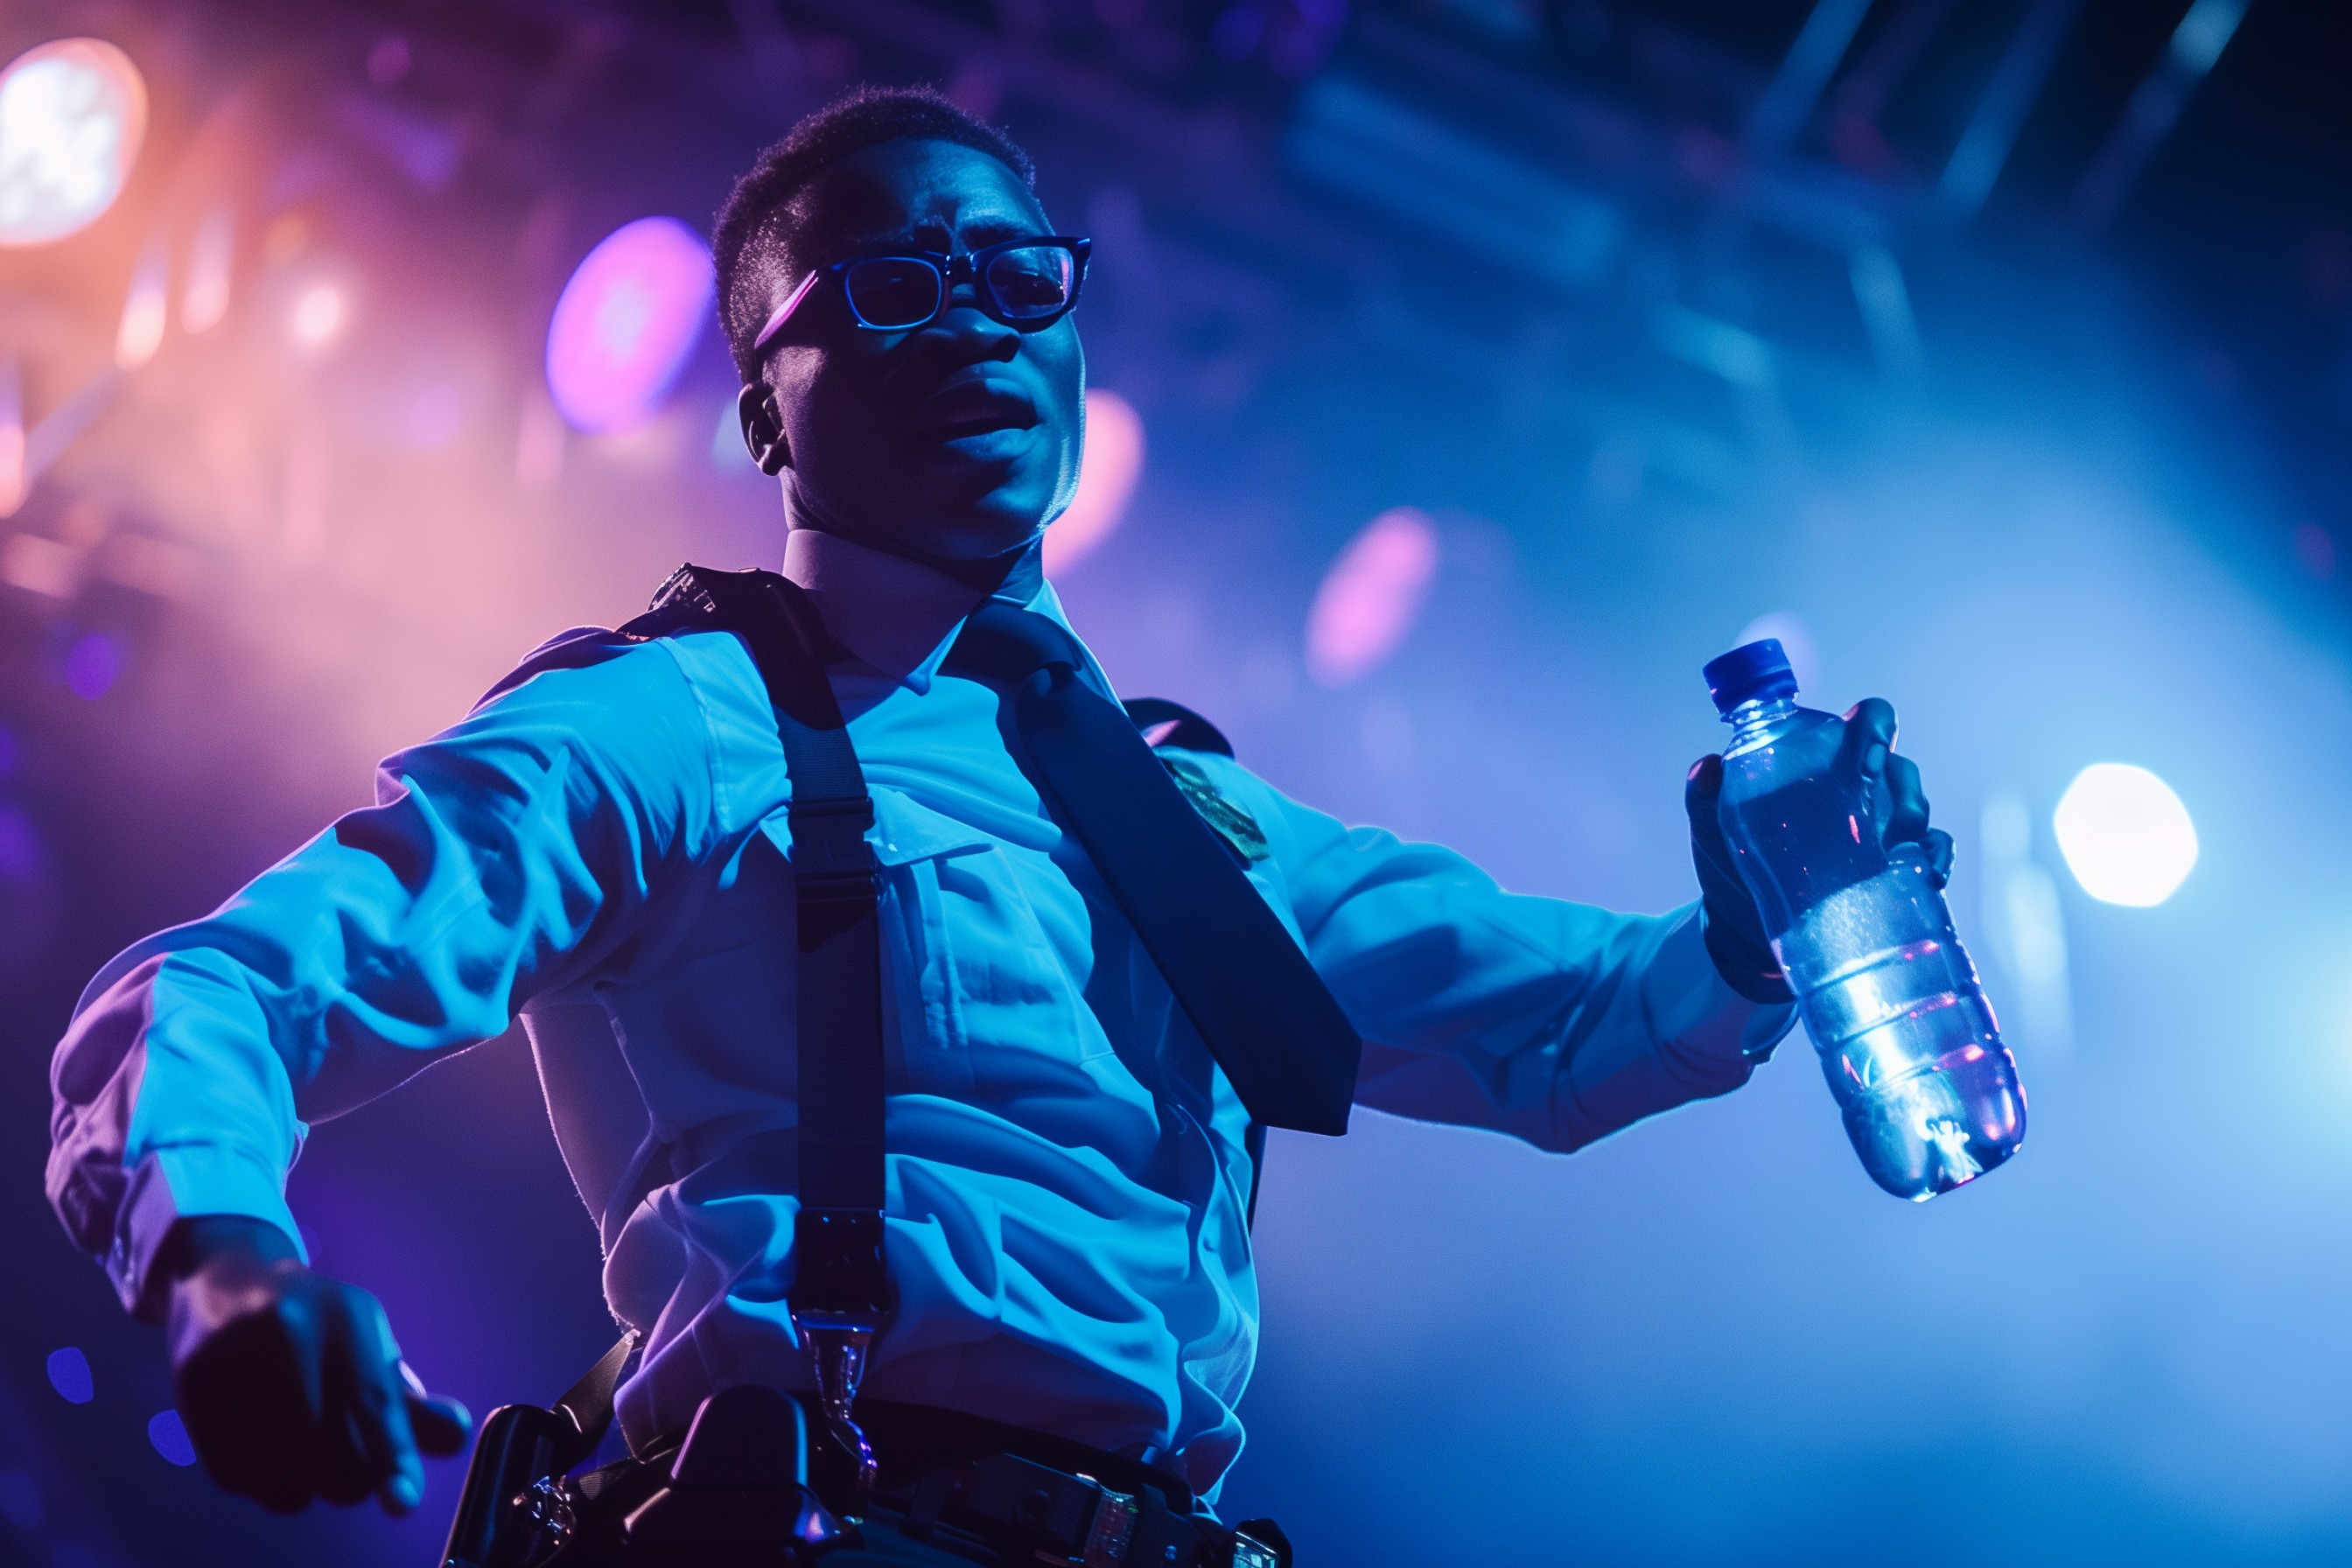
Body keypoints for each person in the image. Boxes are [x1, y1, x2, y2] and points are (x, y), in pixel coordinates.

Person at [46, 86, 1951, 1564]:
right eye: (884, 286)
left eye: (1014, 277)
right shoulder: (670, 721)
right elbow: (217, 990)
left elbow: (1562, 1024)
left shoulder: (1185, 808)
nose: (966, 324)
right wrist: (217, 1251)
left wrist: (1746, 931)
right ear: (767, 409)